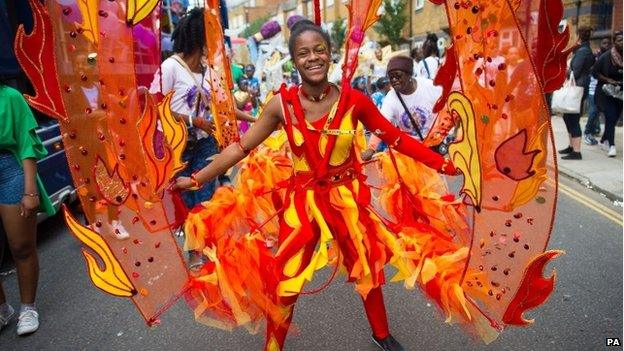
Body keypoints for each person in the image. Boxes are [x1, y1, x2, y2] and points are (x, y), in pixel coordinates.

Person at [175, 20, 457, 351]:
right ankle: (273, 346)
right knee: (286, 280)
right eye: (304, 53)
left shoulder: (355, 101)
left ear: (330, 55)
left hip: (347, 201)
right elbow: (240, 148)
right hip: (302, 203)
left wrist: (447, 164)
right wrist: (195, 179)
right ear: (294, 60)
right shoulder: (281, 105)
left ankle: (381, 334)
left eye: (319, 50)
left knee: (366, 268)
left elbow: (397, 140)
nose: (313, 58)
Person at [148, 8, 253, 268]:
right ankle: (195, 246)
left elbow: (224, 105)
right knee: (188, 198)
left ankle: (200, 247)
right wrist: (194, 121)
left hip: (205, 142)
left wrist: (259, 121)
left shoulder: (208, 72)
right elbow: (153, 104)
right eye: (211, 38)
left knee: (204, 193)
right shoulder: (170, 67)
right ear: (200, 39)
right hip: (178, 146)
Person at [0, 81, 55, 335]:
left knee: (21, 246)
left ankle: (27, 308)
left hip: (10, 171)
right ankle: (3, 309)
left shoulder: (9, 96)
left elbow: (25, 143)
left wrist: (29, 190)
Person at [362, 55, 443, 161]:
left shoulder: (430, 87)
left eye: (398, 76)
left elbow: (447, 106)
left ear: (409, 75)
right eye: (391, 77)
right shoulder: (391, 98)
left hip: (435, 145)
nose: (394, 80)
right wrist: (371, 148)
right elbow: (382, 124)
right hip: (411, 151)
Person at [558, 26, 595, 160]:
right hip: (578, 87)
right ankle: (571, 146)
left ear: (578, 35)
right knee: (568, 117)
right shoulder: (583, 50)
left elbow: (576, 72)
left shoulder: (583, 52)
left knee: (573, 118)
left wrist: (564, 70)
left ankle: (577, 151)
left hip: (577, 89)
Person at [592, 31, 623, 157]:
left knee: (614, 119)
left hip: (620, 92)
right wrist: (608, 79)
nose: (622, 43)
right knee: (610, 117)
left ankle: (604, 139)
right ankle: (612, 145)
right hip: (606, 92)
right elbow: (594, 72)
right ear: (614, 42)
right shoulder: (605, 57)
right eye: (620, 40)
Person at [583, 37, 611, 145]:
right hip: (593, 90)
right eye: (604, 43)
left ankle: (597, 130)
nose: (606, 45)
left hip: (606, 91)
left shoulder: (612, 57)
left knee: (602, 112)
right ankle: (587, 132)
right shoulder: (596, 57)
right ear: (600, 45)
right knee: (594, 111)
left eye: (608, 43)